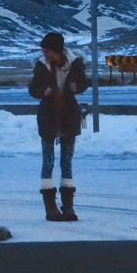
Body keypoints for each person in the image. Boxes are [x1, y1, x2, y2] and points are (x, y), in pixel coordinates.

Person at [28, 31, 89, 221]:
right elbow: (32, 89)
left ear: (58, 51)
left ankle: (68, 206)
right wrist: (43, 92)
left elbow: (84, 82)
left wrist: (76, 88)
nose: (45, 54)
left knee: (67, 162)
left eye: (48, 51)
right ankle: (50, 208)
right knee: (48, 161)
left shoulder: (75, 63)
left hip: (69, 115)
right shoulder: (41, 66)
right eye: (43, 51)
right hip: (48, 116)